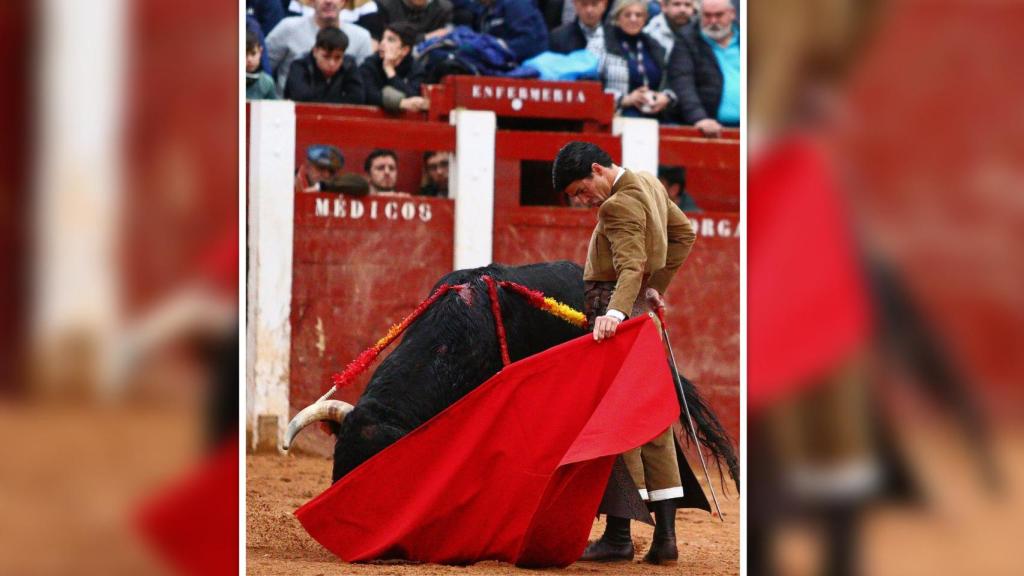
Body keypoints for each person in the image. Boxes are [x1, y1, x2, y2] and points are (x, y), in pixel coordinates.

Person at [552, 141, 696, 565]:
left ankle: (618, 536)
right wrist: (657, 287)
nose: (582, 201)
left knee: (618, 423)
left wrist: (615, 311)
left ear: (598, 168)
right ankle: (665, 540)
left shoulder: (615, 206)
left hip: (616, 314)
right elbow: (684, 233)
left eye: (581, 190)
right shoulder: (649, 183)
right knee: (653, 425)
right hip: (640, 316)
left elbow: (630, 265)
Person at [266, 0, 374, 95]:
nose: (328, 1)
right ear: (311, 1)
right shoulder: (288, 28)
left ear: (344, 2)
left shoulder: (362, 37)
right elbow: (262, 66)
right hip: (287, 110)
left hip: (342, 111)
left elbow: (366, 84)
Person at [665, 0, 739, 136]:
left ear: (732, 14)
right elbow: (682, 82)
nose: (713, 21)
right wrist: (699, 117)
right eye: (707, 16)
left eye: (719, 15)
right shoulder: (687, 39)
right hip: (710, 127)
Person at [593, 0, 673, 119]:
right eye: (627, 15)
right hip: (616, 115)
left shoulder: (655, 45)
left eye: (638, 15)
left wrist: (665, 97)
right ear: (617, 18)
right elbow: (590, 87)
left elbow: (672, 80)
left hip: (655, 115)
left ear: (645, 19)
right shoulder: (600, 43)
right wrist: (625, 99)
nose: (633, 19)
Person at [285, 27, 367, 104]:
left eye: (338, 58)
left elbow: (357, 98)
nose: (332, 63)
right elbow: (302, 97)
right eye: (326, 57)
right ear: (315, 51)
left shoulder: (349, 65)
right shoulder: (300, 65)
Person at [359, 22, 429, 112]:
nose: (382, 43)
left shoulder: (416, 69)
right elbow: (368, 95)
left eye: (390, 40)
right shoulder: (369, 64)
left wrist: (389, 70)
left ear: (404, 50)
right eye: (382, 38)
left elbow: (414, 98)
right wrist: (401, 103)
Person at [475, 0, 550, 62]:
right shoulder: (485, 11)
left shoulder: (516, 3)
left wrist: (500, 46)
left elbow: (531, 41)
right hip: (501, 63)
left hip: (528, 64)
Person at [295, 144, 370, 194]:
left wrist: (321, 187)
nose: (326, 175)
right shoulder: (289, 183)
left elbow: (362, 185)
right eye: (321, 168)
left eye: (332, 171)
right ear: (307, 166)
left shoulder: (336, 185)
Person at [377, 0, 454, 43]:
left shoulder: (443, 8)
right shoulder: (384, 6)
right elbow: (385, 41)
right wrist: (425, 38)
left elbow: (447, 37)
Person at [246, 30, 279, 99]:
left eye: (253, 53)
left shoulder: (267, 82)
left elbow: (273, 107)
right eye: (244, 54)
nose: (249, 59)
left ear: (260, 51)